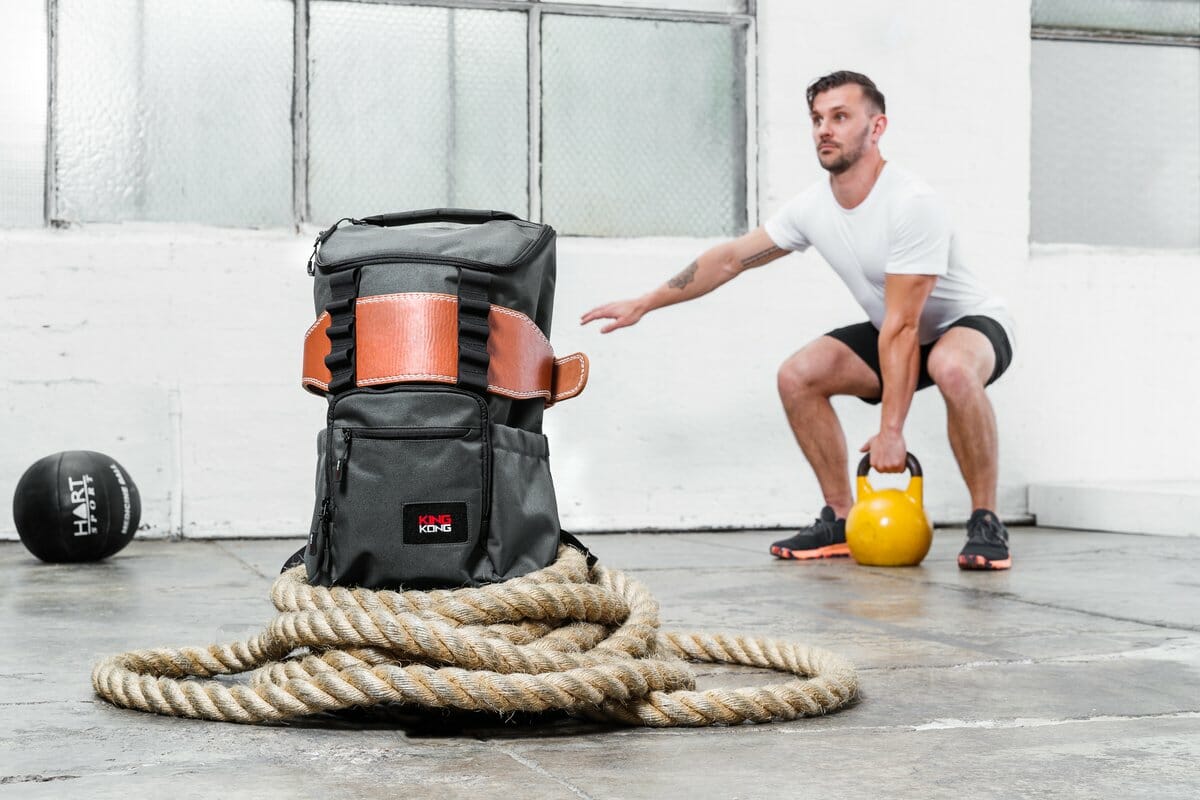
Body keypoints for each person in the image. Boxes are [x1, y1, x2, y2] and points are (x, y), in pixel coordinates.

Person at [580, 70, 1015, 570]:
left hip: (971, 324)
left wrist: (891, 429)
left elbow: (903, 326)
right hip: (900, 329)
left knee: (951, 367)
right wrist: (646, 301)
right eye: (817, 119)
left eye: (840, 117)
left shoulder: (911, 205)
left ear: (877, 129)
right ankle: (841, 518)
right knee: (798, 375)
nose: (824, 130)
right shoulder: (813, 208)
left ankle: (986, 519)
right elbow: (729, 259)